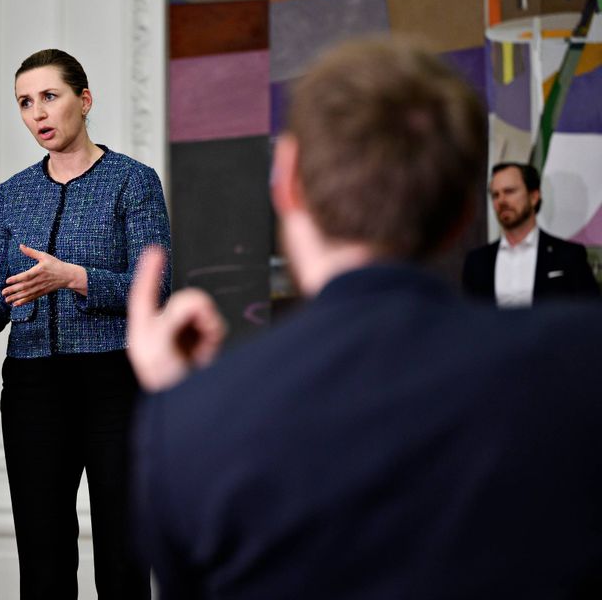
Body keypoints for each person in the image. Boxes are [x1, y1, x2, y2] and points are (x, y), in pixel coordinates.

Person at [127, 38, 602, 598]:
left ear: (287, 180)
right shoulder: (584, 366)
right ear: (463, 210)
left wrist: (182, 396)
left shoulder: (189, 424)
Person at [0, 49, 170, 598]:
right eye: (24, 102)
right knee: (42, 556)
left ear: (84, 100)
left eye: (49, 96)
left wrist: (74, 277)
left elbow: (154, 290)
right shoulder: (11, 194)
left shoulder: (132, 182)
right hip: (33, 386)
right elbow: (1, 296)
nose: (37, 112)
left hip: (114, 381)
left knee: (122, 553)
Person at [462, 161, 599, 306]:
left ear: (534, 197)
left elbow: (591, 312)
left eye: (509, 191)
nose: (501, 201)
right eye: (495, 195)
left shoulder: (568, 256)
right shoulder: (477, 262)